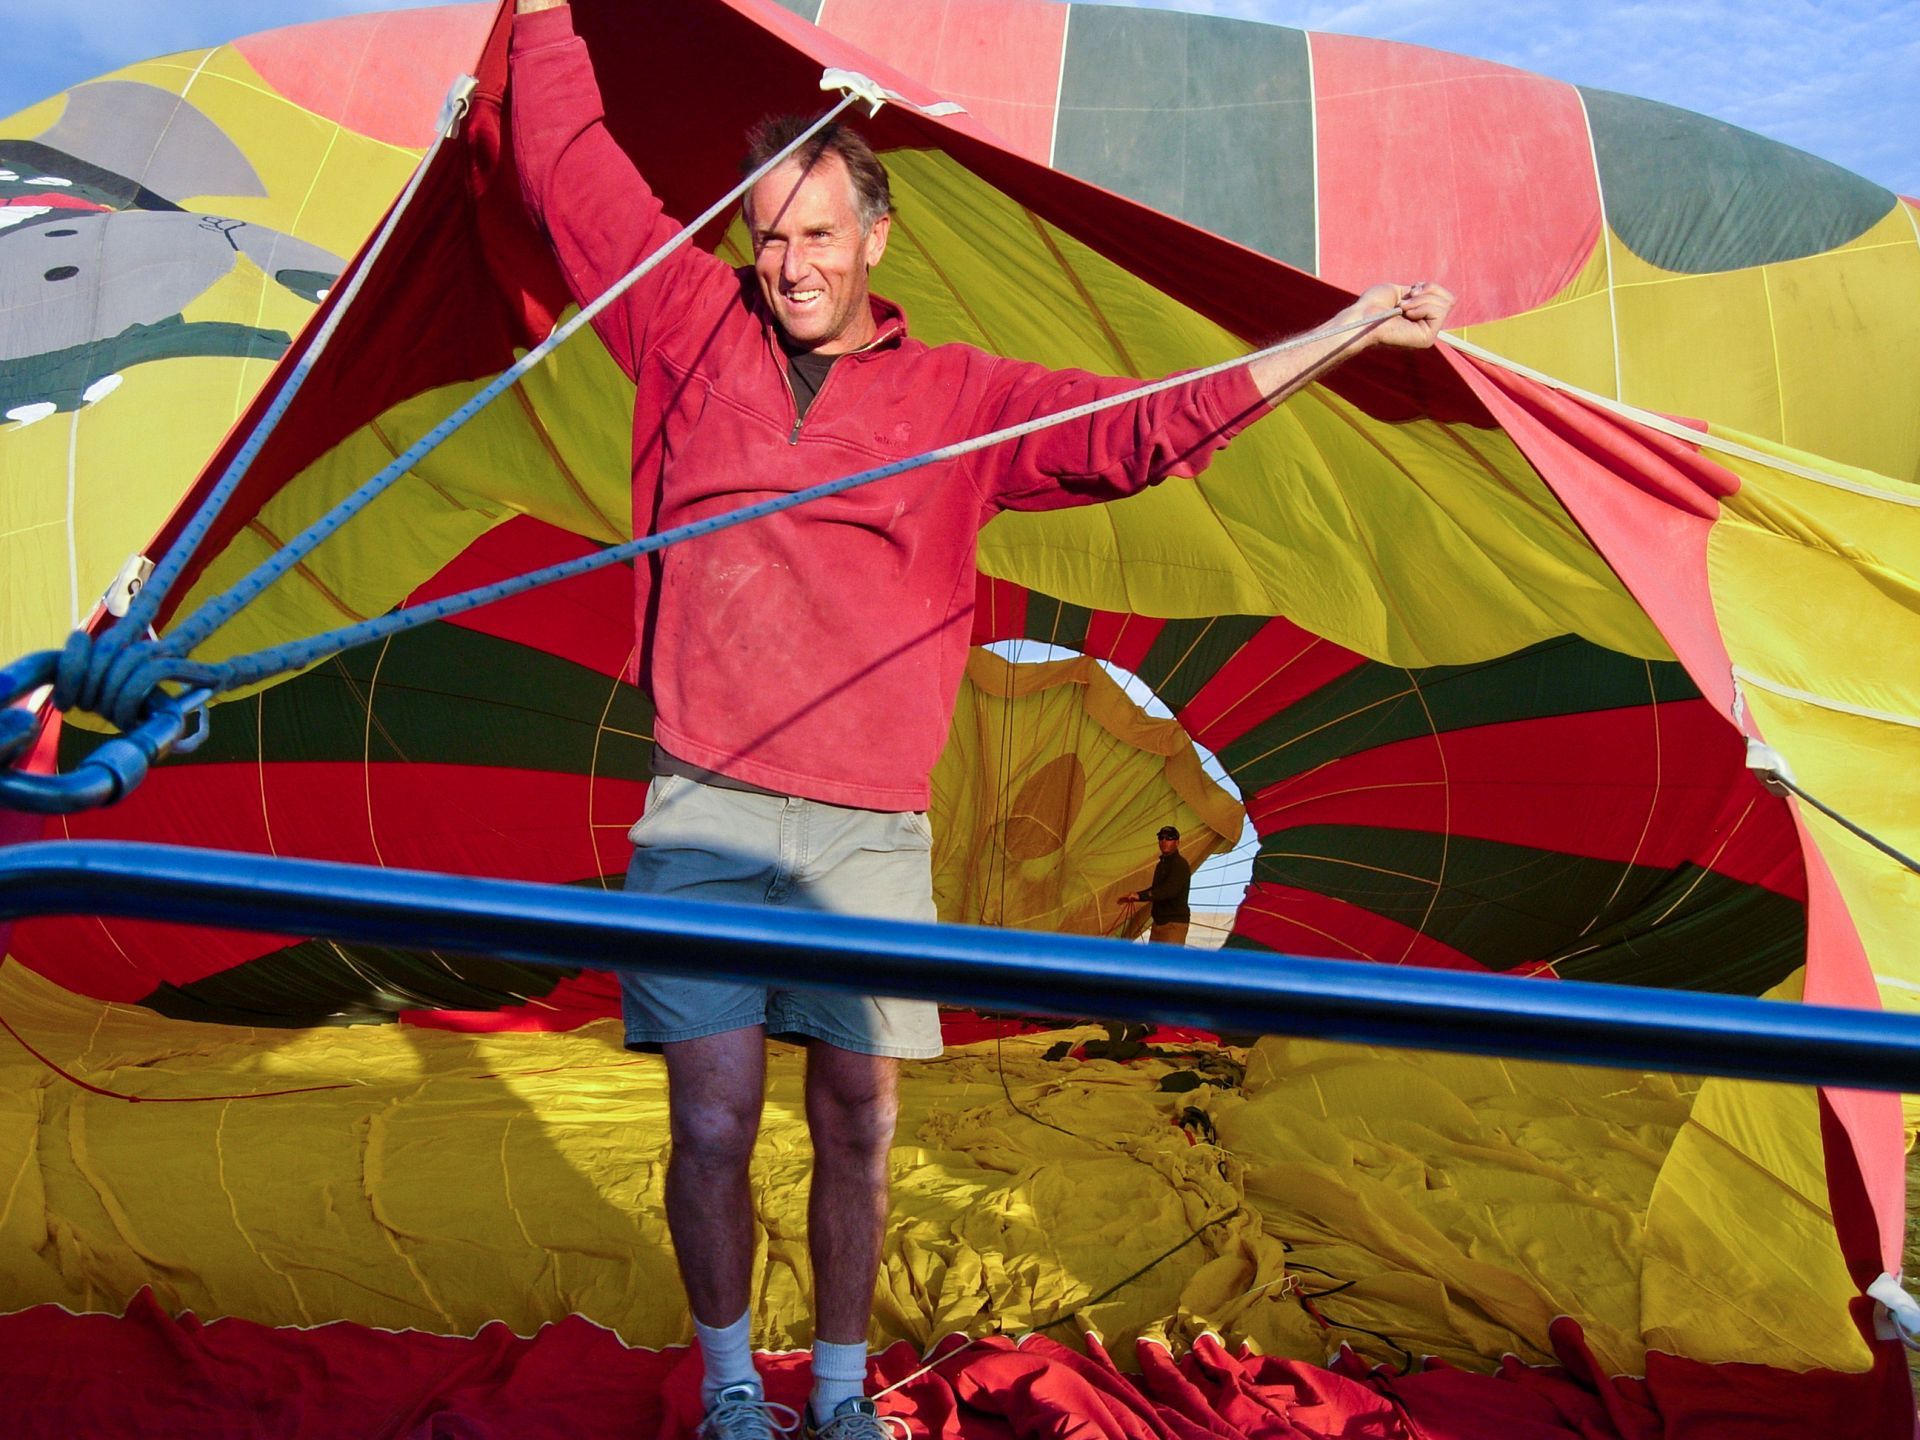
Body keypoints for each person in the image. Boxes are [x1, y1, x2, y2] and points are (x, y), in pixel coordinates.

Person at [509, 5, 1455, 1437]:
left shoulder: (961, 399)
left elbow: (1140, 428)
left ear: (876, 238)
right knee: (707, 1121)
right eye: (770, 233)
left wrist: (1337, 334)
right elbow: (565, 164)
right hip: (703, 807)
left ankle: (834, 1393)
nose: (794, 263)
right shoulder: (682, 322)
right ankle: (725, 1391)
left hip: (869, 830)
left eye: (822, 234)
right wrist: (532, 10)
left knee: (859, 1121)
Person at [1122, 825, 1192, 946]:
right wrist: (1137, 895)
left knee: (1168, 963)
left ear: (1177, 842)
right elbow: (1157, 889)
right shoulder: (1161, 864)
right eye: (1161, 838)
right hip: (1159, 923)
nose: (1164, 841)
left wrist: (1141, 896)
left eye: (1169, 838)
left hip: (1173, 925)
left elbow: (1169, 890)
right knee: (1153, 963)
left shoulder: (1180, 864)